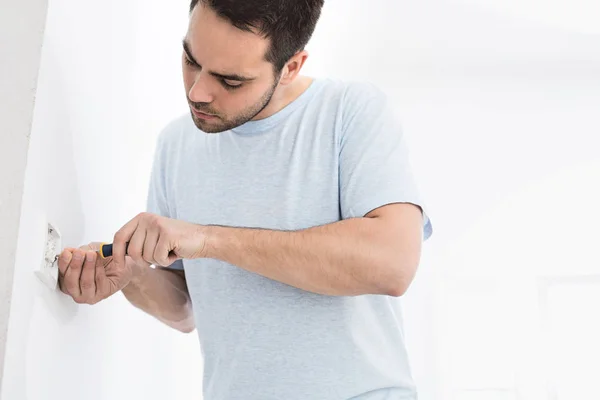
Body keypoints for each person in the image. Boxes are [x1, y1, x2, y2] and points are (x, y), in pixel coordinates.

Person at [57, 0, 433, 398]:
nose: (198, 92)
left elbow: (392, 264)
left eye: (230, 81)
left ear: (291, 67)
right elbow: (186, 308)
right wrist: (131, 274)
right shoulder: (176, 144)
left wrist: (207, 239)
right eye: (190, 59)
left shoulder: (350, 113)